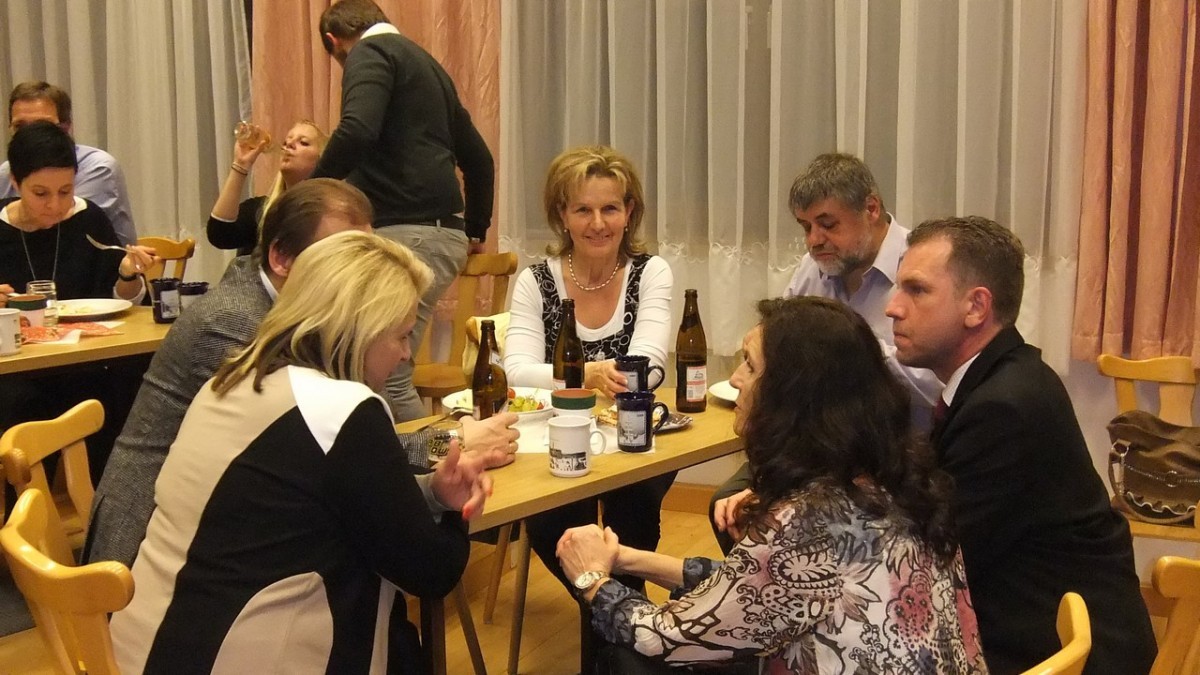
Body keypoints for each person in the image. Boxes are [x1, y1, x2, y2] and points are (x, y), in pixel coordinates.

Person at [109, 230, 492, 673]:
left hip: (138, 648)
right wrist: (459, 507)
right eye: (403, 336)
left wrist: (435, 494)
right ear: (360, 331)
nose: (407, 356)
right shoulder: (342, 409)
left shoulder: (231, 378)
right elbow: (431, 570)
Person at [87, 179, 518, 569]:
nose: (360, 272)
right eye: (340, 256)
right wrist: (452, 441)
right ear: (281, 257)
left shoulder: (302, 312)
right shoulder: (239, 322)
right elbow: (334, 445)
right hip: (150, 548)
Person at [557, 297, 986, 674]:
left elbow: (665, 638)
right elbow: (753, 591)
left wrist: (591, 579)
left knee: (628, 658)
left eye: (749, 364)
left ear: (791, 396)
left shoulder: (811, 518)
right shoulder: (889, 482)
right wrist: (629, 560)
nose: (736, 380)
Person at [884, 216, 1156, 674]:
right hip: (1040, 625)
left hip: (1058, 651)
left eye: (917, 290)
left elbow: (931, 555)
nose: (893, 307)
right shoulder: (1004, 378)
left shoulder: (1004, 406)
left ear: (976, 307)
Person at [710, 153, 941, 553]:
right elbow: (781, 348)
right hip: (820, 450)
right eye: (806, 227)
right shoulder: (814, 267)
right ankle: (761, 588)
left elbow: (936, 386)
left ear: (871, 209)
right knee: (727, 505)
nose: (814, 240)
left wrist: (851, 352)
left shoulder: (920, 267)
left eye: (827, 224)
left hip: (893, 456)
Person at [313, 0, 495, 421]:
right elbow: (480, 160)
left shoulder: (369, 52)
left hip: (402, 233)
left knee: (382, 375)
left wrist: (311, 193)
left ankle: (432, 459)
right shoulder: (430, 68)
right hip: (441, 234)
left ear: (334, 42)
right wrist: (474, 229)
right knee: (381, 371)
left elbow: (357, 130)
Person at [504, 145, 675, 594]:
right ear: (562, 215)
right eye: (583, 210)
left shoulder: (650, 272)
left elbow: (650, 367)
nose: (598, 224)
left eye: (610, 209)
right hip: (553, 437)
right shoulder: (535, 281)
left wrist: (579, 378)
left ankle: (617, 609)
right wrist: (587, 375)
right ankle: (610, 612)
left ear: (629, 212)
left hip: (631, 434)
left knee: (635, 508)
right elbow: (515, 372)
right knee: (554, 519)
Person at [0, 120, 153, 304]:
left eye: (65, 191)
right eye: (41, 193)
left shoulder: (88, 219)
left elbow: (125, 303)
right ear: (15, 183)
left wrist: (127, 275)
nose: (55, 205)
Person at [1, 81, 138, 246]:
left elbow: (60, 237)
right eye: (19, 126)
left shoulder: (98, 168)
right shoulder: (5, 172)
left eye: (42, 125)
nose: (30, 135)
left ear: (66, 128)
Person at [207, 119, 329, 254]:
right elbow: (219, 233)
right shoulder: (262, 212)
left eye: (303, 142)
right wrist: (240, 165)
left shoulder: (329, 217)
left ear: (323, 160)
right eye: (286, 142)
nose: (289, 144)